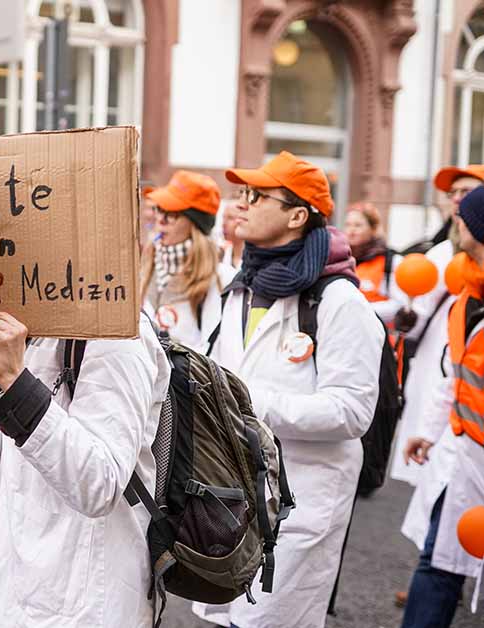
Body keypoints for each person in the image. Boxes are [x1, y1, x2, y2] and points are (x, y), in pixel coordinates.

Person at [193, 151, 383, 628]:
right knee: (230, 619)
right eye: (242, 194)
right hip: (234, 498)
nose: (243, 204)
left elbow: (352, 411)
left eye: (257, 196)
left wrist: (247, 404)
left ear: (298, 215)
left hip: (303, 502)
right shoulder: (241, 288)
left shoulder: (339, 302)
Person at [0, 311, 171, 627]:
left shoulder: (119, 335)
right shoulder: (34, 331)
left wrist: (14, 381)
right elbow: (18, 468)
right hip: (19, 599)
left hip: (87, 605)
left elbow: (99, 484)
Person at [393, 166, 484, 607]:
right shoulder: (466, 293)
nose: (456, 208)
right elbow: (458, 372)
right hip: (464, 451)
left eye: (467, 199)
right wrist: (430, 430)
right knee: (440, 559)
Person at [140, 170, 236, 351]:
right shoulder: (146, 266)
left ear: (195, 223)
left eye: (171, 214)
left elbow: (217, 355)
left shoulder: (222, 279)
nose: (160, 219)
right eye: (159, 209)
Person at [344, 202, 408, 324]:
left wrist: (358, 311)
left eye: (358, 225)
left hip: (380, 336)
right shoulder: (340, 260)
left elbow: (399, 305)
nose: (351, 231)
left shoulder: (391, 261)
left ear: (373, 229)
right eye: (348, 225)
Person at [218, 196, 245, 269]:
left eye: (230, 218)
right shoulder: (220, 254)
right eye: (223, 217)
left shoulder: (254, 260)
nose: (224, 223)